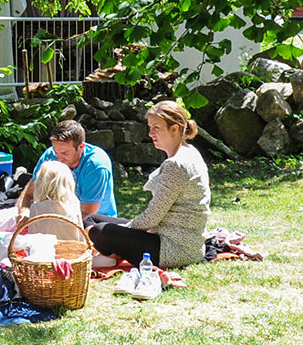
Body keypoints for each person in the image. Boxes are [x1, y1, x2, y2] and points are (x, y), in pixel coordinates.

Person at [87, 100, 212, 270]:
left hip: (174, 248)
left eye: (156, 128)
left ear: (174, 128)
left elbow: (153, 217)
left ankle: (111, 255)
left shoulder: (177, 164)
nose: (151, 133)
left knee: (99, 231)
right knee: (91, 219)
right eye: (150, 127)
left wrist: (126, 229)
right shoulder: (190, 151)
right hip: (165, 234)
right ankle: (114, 252)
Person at [30, 119, 117, 218]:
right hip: (59, 217)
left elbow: (87, 214)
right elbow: (29, 193)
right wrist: (24, 211)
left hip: (95, 222)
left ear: (81, 147)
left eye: (64, 153)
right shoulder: (50, 155)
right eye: (56, 151)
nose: (58, 158)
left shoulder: (96, 165)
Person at [13, 159, 83, 225]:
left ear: (40, 184)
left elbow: (33, 234)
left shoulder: (37, 208)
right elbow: (80, 230)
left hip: (45, 238)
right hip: (72, 238)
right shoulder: (74, 204)